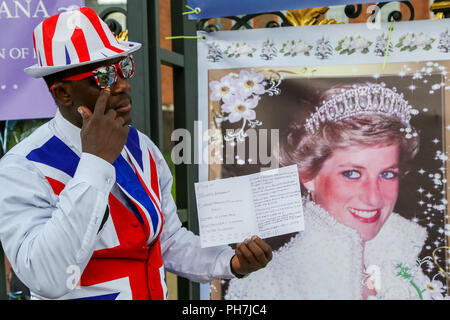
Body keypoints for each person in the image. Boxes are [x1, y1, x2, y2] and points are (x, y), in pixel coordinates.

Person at [0, 7, 272, 300]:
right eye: (104, 76)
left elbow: (167, 241)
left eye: (124, 67)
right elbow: (46, 278)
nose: (123, 84)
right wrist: (94, 163)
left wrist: (230, 262)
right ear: (63, 94)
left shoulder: (141, 147)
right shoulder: (23, 168)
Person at [225, 82, 436, 300]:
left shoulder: (410, 268)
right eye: (352, 174)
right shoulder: (268, 281)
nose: (373, 197)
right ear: (308, 175)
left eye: (387, 174)